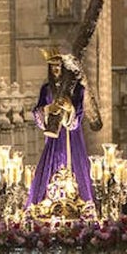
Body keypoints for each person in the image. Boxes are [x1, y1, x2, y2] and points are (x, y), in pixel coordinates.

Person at [26, 53, 95, 214]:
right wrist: (47, 109)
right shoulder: (46, 89)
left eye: (58, 66)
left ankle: (78, 202)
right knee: (51, 163)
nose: (56, 69)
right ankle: (48, 201)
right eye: (52, 66)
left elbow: (78, 114)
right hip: (53, 137)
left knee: (75, 165)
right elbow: (37, 111)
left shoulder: (76, 89)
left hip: (72, 136)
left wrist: (69, 107)